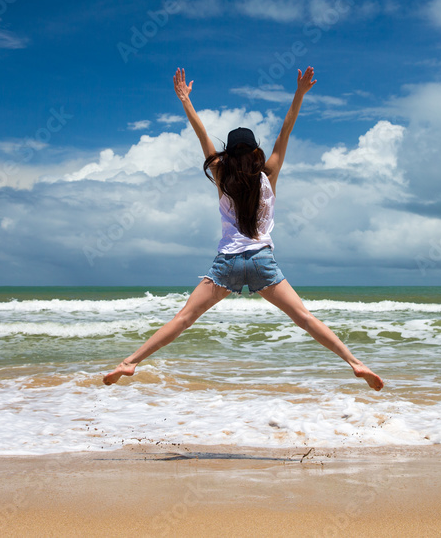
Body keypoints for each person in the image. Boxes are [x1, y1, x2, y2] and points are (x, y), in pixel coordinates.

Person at [103, 66, 384, 391]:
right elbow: (285, 131)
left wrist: (186, 102)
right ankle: (354, 362)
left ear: (227, 154)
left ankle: (130, 362)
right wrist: (299, 94)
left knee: (183, 320)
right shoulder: (270, 173)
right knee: (305, 319)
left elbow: (202, 135)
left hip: (228, 263)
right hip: (262, 260)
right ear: (254, 152)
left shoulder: (221, 175)